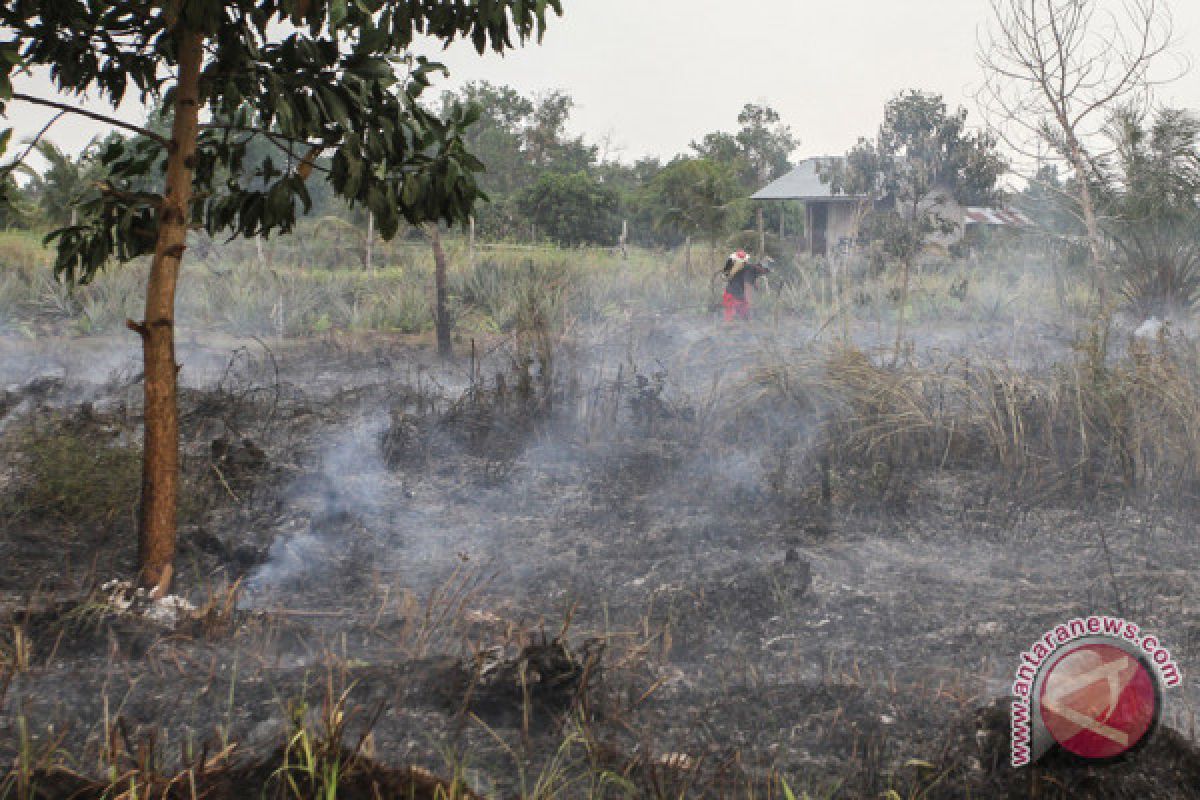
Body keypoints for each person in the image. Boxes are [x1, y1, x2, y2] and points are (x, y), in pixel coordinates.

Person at [721, 249, 770, 322]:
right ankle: (725, 331)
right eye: (766, 271)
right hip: (731, 297)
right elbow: (747, 287)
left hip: (738, 297)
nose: (765, 274)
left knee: (745, 319)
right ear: (763, 268)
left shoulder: (752, 269)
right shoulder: (751, 270)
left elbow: (748, 280)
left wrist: (755, 286)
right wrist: (750, 303)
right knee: (730, 321)